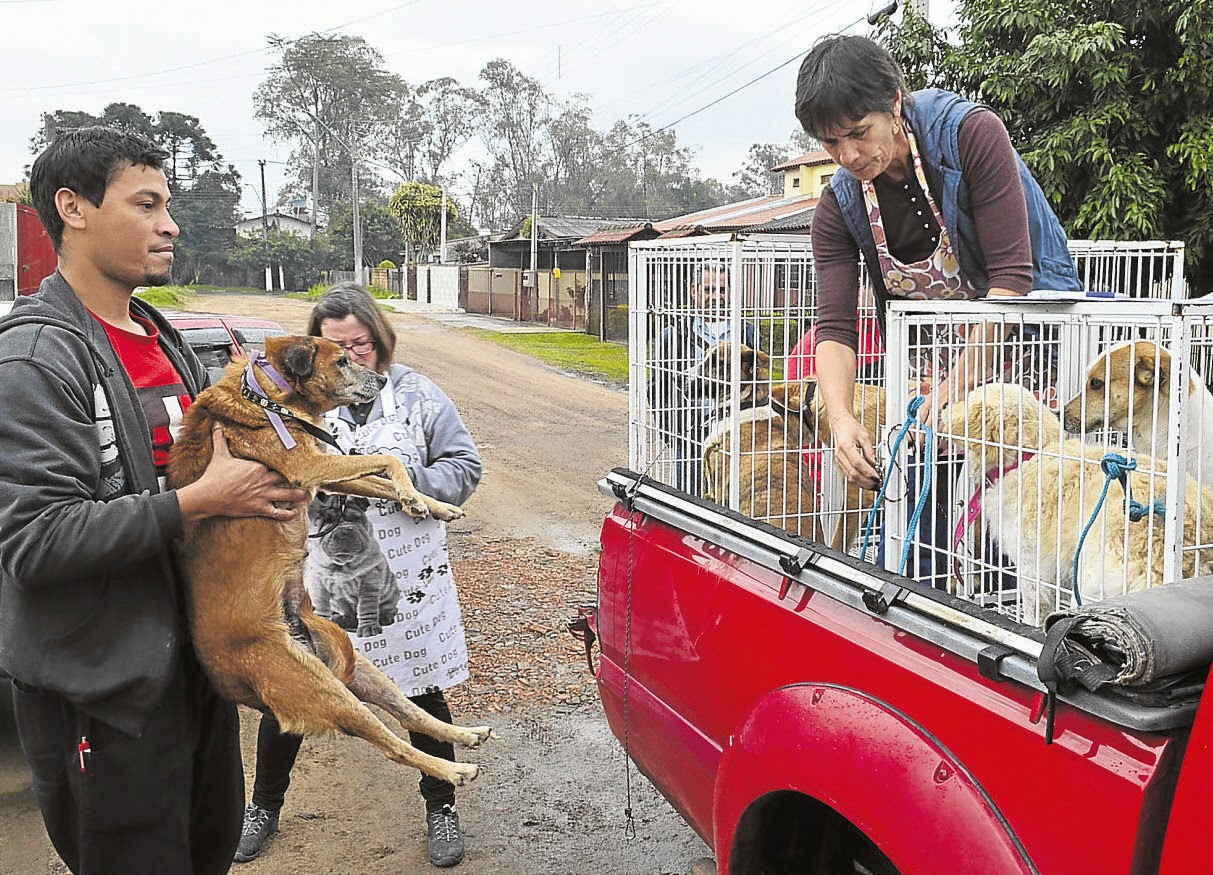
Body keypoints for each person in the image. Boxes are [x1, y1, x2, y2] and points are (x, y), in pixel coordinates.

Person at [0, 126, 310, 874]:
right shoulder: (36, 356)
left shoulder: (158, 333)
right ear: (72, 208)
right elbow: (34, 542)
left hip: (191, 675)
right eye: (146, 204)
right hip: (106, 697)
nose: (170, 223)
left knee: (206, 857)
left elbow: (205, 475)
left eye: (166, 204)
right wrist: (201, 501)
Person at [795, 35, 1082, 581]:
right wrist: (841, 417)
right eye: (832, 145)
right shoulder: (840, 202)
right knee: (932, 511)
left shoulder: (971, 133)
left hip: (1026, 343)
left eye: (859, 134)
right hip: (941, 372)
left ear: (895, 102)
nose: (850, 157)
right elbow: (834, 326)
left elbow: (1011, 282)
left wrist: (950, 399)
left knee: (1026, 524)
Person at [235, 283, 483, 869]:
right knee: (293, 692)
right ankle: (263, 806)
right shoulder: (293, 410)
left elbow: (464, 467)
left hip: (404, 580)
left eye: (363, 345)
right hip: (319, 582)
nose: (352, 358)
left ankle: (440, 805)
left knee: (419, 691)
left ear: (380, 341)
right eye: (337, 348)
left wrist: (408, 487)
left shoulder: (420, 397)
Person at [647, 261, 758, 494]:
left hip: (737, 438)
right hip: (691, 439)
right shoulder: (674, 336)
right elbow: (657, 388)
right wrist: (675, 433)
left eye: (722, 289)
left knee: (734, 505)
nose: (715, 296)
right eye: (708, 290)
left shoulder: (748, 334)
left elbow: (758, 387)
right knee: (691, 506)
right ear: (694, 291)